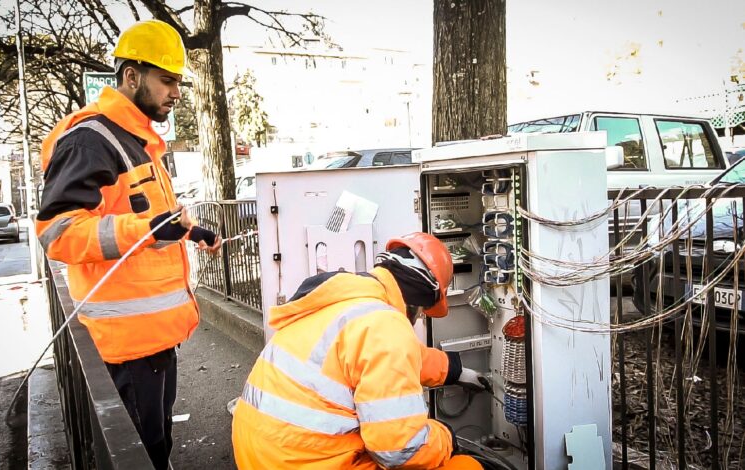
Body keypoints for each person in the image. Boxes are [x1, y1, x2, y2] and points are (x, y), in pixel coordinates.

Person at [36, 19, 221, 469]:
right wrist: (145, 231)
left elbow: (144, 216)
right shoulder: (92, 140)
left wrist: (191, 230)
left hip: (154, 339)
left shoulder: (140, 142)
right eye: (167, 80)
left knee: (157, 448)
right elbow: (57, 233)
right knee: (141, 454)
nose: (176, 93)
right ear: (131, 76)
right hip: (127, 345)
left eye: (179, 82)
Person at [232, 232, 483, 469]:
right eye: (421, 313)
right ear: (416, 301)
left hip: (259, 451)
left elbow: (390, 359)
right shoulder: (386, 326)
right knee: (466, 466)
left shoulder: (347, 302)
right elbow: (400, 450)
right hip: (302, 461)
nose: (417, 320)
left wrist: (455, 371)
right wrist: (447, 438)